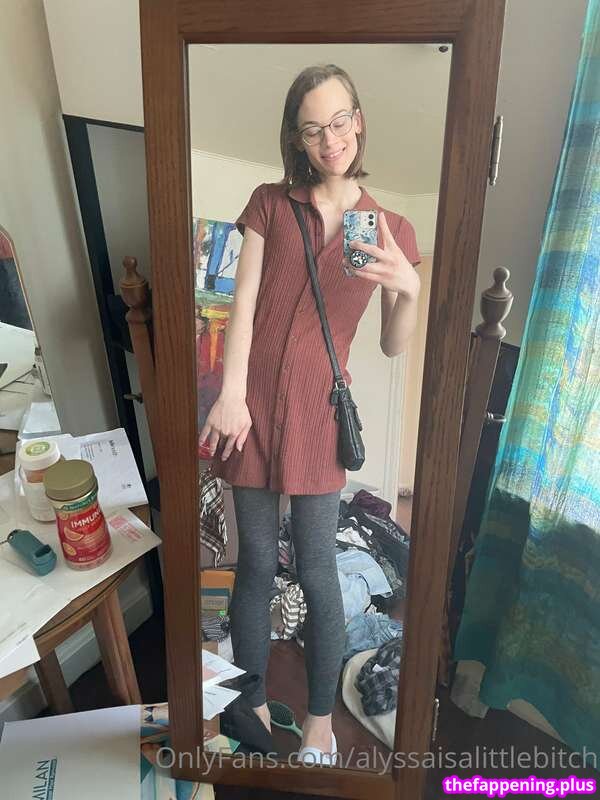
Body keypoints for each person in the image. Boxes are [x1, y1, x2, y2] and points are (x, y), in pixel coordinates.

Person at [200, 63, 421, 764]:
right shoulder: (270, 204)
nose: (330, 139)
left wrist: (409, 287)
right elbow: (243, 305)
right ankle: (250, 702)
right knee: (256, 566)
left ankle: (320, 719)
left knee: (320, 571)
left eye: (339, 120)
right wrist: (231, 394)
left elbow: (392, 343)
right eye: (312, 128)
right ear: (297, 138)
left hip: (321, 420)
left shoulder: (390, 228)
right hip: (254, 410)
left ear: (359, 119)